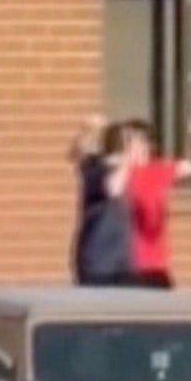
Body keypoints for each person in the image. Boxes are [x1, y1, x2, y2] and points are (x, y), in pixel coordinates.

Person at [121, 118, 191, 288]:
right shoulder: (120, 176)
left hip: (156, 266)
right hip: (128, 265)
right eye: (129, 143)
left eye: (139, 141)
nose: (135, 147)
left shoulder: (160, 170)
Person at [69, 118, 134, 286]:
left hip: (121, 261)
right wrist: (126, 161)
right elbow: (113, 188)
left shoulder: (114, 167)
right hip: (99, 261)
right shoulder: (93, 167)